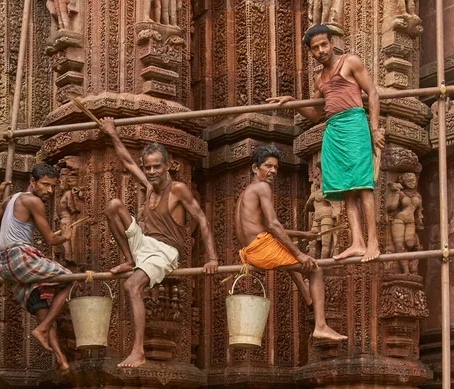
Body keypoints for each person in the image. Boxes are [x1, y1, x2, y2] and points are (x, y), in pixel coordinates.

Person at [99, 117, 219, 368]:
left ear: (167, 166)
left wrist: (213, 258)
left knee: (132, 286)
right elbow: (127, 161)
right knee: (113, 206)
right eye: (149, 167)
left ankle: (138, 351)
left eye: (157, 167)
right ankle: (129, 259)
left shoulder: (178, 189)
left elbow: (202, 219)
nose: (152, 172)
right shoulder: (148, 186)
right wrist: (112, 132)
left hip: (165, 251)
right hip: (143, 245)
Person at [268, 23, 385, 263]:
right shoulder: (319, 78)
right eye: (315, 48)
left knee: (363, 184)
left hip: (354, 123)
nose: (321, 50)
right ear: (311, 52)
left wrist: (374, 128)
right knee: (346, 188)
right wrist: (293, 102)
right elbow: (316, 114)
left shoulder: (349, 61)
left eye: (324, 44)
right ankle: (357, 242)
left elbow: (372, 92)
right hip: (333, 129)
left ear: (332, 43)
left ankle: (373, 241)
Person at [236, 145, 347, 342]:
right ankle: (321, 326)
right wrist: (300, 254)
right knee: (314, 269)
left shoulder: (247, 191)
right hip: (259, 248)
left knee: (286, 252)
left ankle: (306, 294)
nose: (273, 171)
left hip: (252, 248)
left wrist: (304, 235)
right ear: (255, 168)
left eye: (276, 167)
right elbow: (272, 224)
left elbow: (263, 227)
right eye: (268, 166)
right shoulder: (262, 187)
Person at [0, 164, 73, 368]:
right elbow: (50, 239)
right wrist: (66, 236)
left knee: (40, 304)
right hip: (21, 257)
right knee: (68, 279)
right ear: (32, 182)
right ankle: (43, 330)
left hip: (6, 265)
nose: (49, 191)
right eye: (45, 185)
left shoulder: (10, 199)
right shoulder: (33, 201)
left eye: (52, 187)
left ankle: (60, 358)